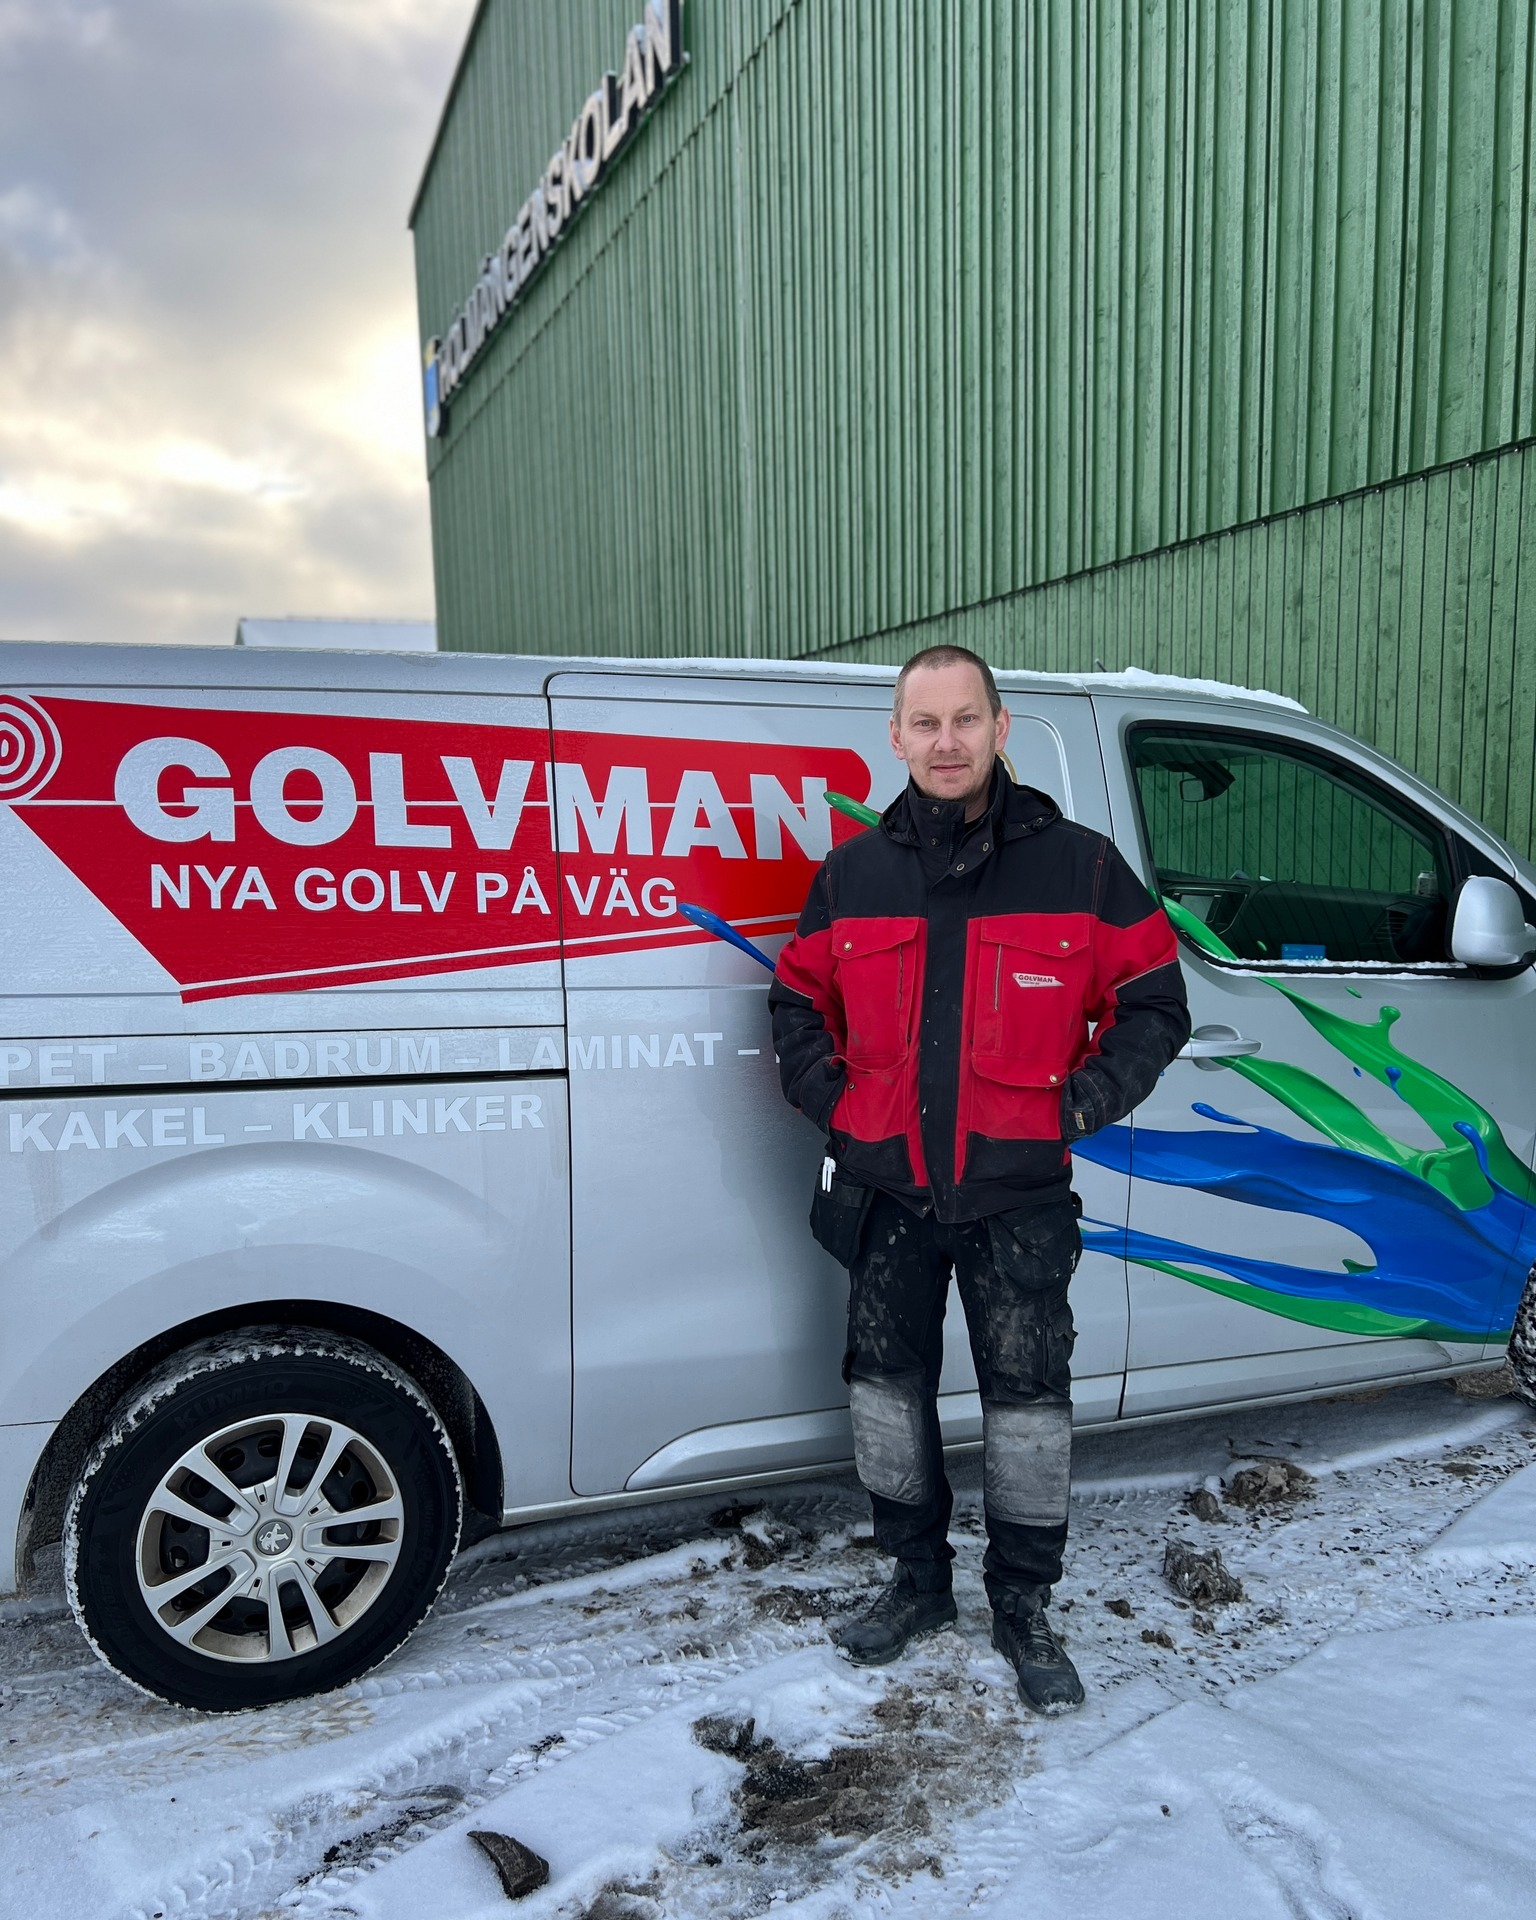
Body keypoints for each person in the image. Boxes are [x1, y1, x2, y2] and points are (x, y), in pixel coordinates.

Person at [768, 645, 1190, 1713]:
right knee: (883, 1393)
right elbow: (796, 1002)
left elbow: (1153, 998)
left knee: (1029, 1406)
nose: (946, 742)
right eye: (925, 723)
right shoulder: (852, 877)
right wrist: (838, 1103)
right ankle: (915, 1582)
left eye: (966, 720)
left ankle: (1023, 1603)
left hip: (1016, 1198)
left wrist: (1081, 1104)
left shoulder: (1081, 868)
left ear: (1001, 730)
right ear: (896, 738)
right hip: (885, 1194)